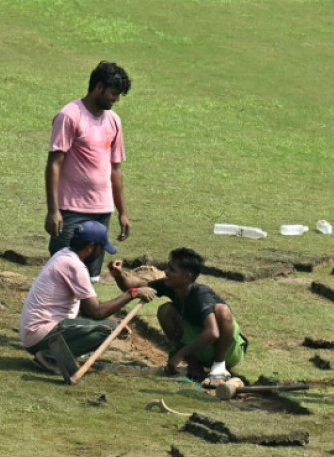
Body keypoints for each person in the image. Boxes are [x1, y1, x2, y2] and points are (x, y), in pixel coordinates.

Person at [20, 221, 157, 373]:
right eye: (101, 249)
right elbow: (96, 311)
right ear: (90, 247)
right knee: (108, 330)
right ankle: (49, 356)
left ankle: (50, 354)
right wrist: (133, 293)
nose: (101, 254)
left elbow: (87, 308)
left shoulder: (64, 254)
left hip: (34, 335)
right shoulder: (75, 266)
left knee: (108, 326)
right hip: (41, 335)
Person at [46, 61, 132, 281]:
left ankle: (84, 315)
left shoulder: (113, 121)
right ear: (99, 87)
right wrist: (53, 210)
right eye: (114, 93)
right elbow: (54, 163)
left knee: (90, 278)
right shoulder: (69, 116)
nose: (116, 99)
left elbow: (115, 168)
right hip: (71, 210)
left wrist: (122, 212)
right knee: (62, 273)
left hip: (102, 211)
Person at [109, 248, 248, 383]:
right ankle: (193, 363)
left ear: (186, 277)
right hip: (202, 348)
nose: (165, 272)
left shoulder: (201, 294)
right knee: (165, 310)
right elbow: (135, 286)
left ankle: (219, 367)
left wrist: (180, 355)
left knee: (223, 311)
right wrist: (119, 275)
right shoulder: (169, 285)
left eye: (171, 270)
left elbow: (213, 333)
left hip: (228, 351)